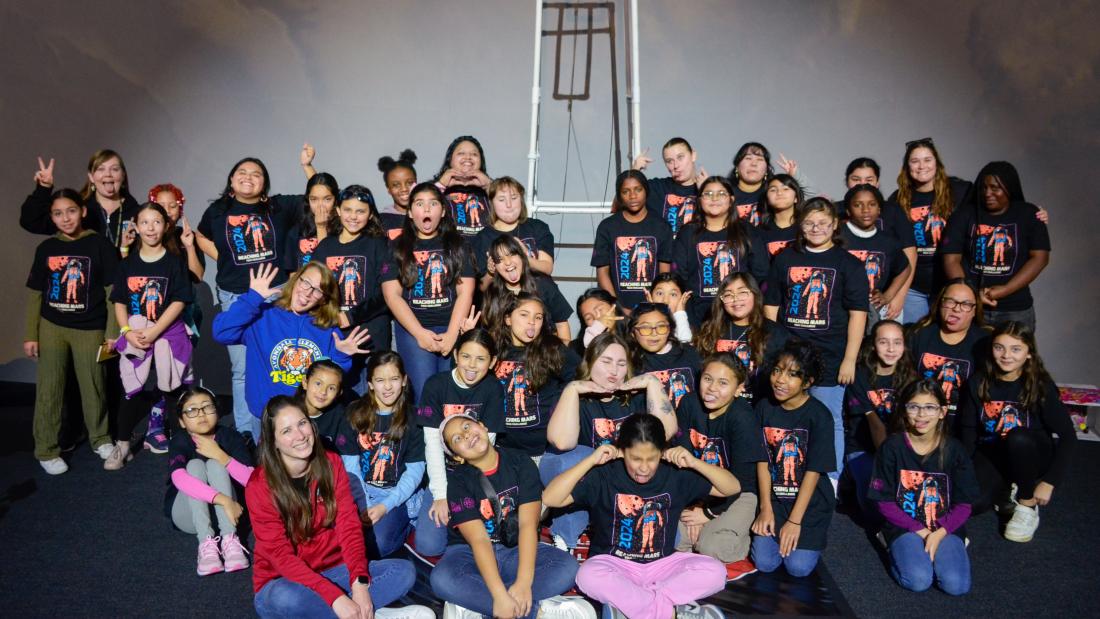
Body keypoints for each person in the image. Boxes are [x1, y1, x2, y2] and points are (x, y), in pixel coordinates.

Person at [247, 396, 432, 618]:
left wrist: (359, 582)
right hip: (286, 581)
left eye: (302, 423)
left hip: (334, 569)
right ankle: (368, 612)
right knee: (283, 599)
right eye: (286, 431)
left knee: (403, 572)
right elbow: (280, 555)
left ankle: (357, 611)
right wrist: (335, 598)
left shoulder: (331, 463)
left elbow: (349, 527)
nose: (299, 435)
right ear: (273, 441)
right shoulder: (260, 486)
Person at [542, 413, 736, 619]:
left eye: (651, 459)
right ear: (622, 451)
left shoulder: (676, 474)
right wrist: (590, 461)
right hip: (613, 564)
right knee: (587, 576)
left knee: (715, 571)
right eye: (635, 459)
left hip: (663, 566)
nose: (643, 468)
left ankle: (633, 607)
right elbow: (551, 498)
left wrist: (695, 462)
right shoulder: (605, 474)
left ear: (662, 452)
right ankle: (673, 614)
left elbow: (731, 488)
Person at [431, 413, 594, 619]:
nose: (466, 436)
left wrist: (524, 583)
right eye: (457, 439)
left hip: (515, 549)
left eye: (466, 427)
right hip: (470, 553)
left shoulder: (520, 461)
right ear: (457, 456)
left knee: (568, 568)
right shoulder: (459, 482)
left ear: (481, 426)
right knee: (441, 579)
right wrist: (499, 596)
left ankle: (478, 607)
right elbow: (479, 540)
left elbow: (528, 524)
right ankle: (536, 611)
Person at [196, 156, 303, 437]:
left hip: (275, 296)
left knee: (278, 363)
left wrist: (306, 166)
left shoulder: (277, 207)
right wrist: (224, 260)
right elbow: (201, 235)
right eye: (241, 172)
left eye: (256, 174)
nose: (248, 177)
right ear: (231, 181)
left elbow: (320, 195)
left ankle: (283, 430)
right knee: (243, 370)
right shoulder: (217, 211)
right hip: (236, 295)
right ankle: (248, 434)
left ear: (264, 183)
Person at [541, 332, 677, 549]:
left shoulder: (637, 395)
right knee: (570, 458)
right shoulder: (576, 397)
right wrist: (573, 389)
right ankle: (565, 539)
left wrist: (653, 383)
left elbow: (666, 432)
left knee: (673, 538)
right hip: (590, 481)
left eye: (621, 363)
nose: (614, 371)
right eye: (606, 362)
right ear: (590, 362)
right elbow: (561, 443)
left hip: (630, 480)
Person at [765, 197, 869, 478]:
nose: (816, 228)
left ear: (835, 225)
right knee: (785, 416)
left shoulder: (849, 265)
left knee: (829, 419)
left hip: (831, 356)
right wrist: (772, 349)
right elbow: (772, 305)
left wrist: (849, 359)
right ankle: (785, 475)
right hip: (789, 354)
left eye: (823, 223)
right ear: (800, 225)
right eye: (809, 222)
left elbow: (858, 314)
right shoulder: (785, 258)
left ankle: (830, 480)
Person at [212, 262, 369, 438]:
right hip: (267, 418)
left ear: (324, 298)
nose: (308, 292)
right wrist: (252, 299)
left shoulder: (326, 329)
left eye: (317, 290)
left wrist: (341, 357)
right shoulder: (262, 315)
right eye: (306, 283)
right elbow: (221, 333)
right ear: (295, 280)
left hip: (307, 421)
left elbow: (333, 378)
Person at [23, 188, 119, 474]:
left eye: (71, 211)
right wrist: (31, 334)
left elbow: (113, 291)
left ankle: (100, 438)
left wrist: (112, 332)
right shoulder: (47, 248)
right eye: (58, 213)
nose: (65, 218)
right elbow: (35, 295)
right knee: (50, 389)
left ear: (83, 211)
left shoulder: (99, 245)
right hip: (52, 328)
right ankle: (46, 448)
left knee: (94, 386)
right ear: (51, 217)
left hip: (91, 329)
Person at [958, 322, 1077, 543]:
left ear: (1029, 353)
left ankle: (1026, 503)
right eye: (999, 347)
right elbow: (969, 432)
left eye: (1016, 349)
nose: (1006, 355)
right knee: (972, 504)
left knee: (1018, 437)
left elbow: (1069, 436)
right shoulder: (977, 382)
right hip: (995, 452)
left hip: (1032, 452)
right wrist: (965, 472)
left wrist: (1050, 481)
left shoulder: (1039, 384)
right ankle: (1006, 486)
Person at [868, 379, 978, 595]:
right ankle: (889, 541)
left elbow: (964, 504)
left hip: (944, 526)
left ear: (942, 412)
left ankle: (946, 548)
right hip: (903, 524)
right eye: (913, 407)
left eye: (930, 407)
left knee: (956, 586)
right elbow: (884, 501)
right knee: (918, 580)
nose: (921, 415)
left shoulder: (954, 450)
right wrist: (921, 530)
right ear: (904, 410)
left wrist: (939, 533)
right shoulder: (892, 447)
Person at [107, 202, 195, 469]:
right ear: (136, 226)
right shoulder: (127, 264)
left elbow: (180, 300)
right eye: (144, 222)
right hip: (136, 335)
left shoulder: (174, 263)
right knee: (131, 390)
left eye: (156, 222)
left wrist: (156, 330)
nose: (150, 228)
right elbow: (119, 301)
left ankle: (181, 447)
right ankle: (122, 445)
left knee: (173, 387)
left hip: (168, 333)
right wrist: (127, 332)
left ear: (166, 225)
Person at [341, 352, 443, 559]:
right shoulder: (354, 413)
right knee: (345, 542)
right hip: (361, 494)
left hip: (397, 496)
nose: (387, 387)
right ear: (369, 383)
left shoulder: (414, 417)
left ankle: (404, 526)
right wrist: (365, 505)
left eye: (394, 379)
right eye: (380, 380)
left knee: (377, 545)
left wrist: (384, 507)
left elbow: (415, 472)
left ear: (404, 380)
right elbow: (350, 468)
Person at [416, 329, 507, 556]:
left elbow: (485, 449)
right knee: (429, 545)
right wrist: (440, 495)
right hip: (442, 473)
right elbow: (433, 444)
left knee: (489, 535)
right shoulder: (436, 385)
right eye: (466, 356)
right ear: (456, 355)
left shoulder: (493, 388)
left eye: (480, 359)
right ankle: (416, 505)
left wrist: (466, 492)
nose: (472, 365)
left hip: (474, 473)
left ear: (493, 361)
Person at [677, 354, 768, 580]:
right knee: (677, 540)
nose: (711, 389)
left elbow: (742, 481)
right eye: (707, 379)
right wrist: (696, 504)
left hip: (738, 493)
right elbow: (683, 460)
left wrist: (708, 514)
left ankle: (741, 538)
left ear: (739, 389)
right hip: (697, 488)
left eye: (723, 383)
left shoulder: (742, 418)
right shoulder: (688, 403)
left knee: (712, 547)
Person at [381, 182, 475, 399]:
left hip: (450, 328)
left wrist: (452, 334)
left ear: (442, 211)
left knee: (452, 395)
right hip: (413, 330)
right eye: (419, 204)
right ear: (410, 212)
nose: (426, 209)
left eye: (433, 204)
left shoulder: (458, 245)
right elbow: (391, 295)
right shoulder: (397, 246)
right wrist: (419, 333)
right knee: (424, 394)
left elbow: (465, 292)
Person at [751, 340, 836, 577]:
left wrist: (795, 522)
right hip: (775, 500)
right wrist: (765, 508)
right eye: (777, 371)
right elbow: (762, 461)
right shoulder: (764, 408)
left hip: (808, 504)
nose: (780, 380)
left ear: (807, 382)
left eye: (792, 375)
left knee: (798, 568)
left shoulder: (820, 416)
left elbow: (814, 471)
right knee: (765, 563)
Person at [941, 161, 1050, 331]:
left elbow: (1040, 258)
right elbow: (951, 258)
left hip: (1015, 308)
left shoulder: (1029, 214)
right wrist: (971, 294)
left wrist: (1005, 290)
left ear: (1009, 188)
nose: (988, 193)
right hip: (971, 307)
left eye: (995, 188)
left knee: (1012, 356)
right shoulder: (964, 215)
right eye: (984, 187)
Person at [165, 386, 253, 576]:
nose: (201, 414)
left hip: (231, 516)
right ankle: (206, 544)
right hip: (190, 517)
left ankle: (230, 540)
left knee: (215, 464)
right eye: (191, 410)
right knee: (194, 466)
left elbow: (254, 482)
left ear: (217, 412)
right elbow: (179, 479)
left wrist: (222, 457)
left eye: (207, 407)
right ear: (181, 421)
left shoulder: (231, 437)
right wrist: (224, 500)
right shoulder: (179, 440)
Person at [311, 184, 391, 381]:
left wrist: (351, 316)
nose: (353, 217)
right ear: (337, 210)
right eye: (347, 210)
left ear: (371, 214)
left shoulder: (379, 244)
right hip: (335, 336)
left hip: (372, 336)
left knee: (371, 399)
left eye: (360, 211)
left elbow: (387, 294)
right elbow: (313, 289)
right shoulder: (325, 247)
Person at [491, 293, 581, 461]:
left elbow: (580, 375)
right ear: (508, 319)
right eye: (524, 314)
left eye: (538, 317)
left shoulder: (552, 348)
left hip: (543, 452)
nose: (532, 321)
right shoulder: (493, 350)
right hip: (501, 450)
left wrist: (559, 399)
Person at [843, 320, 917, 519]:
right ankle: (849, 479)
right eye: (884, 342)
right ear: (873, 345)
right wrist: (889, 463)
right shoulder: (860, 375)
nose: (891, 349)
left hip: (898, 446)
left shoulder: (910, 377)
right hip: (863, 446)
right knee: (873, 506)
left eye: (897, 342)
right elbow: (873, 424)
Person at [672, 175, 769, 326]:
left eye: (721, 194)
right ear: (699, 200)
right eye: (708, 194)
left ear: (731, 200)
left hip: (739, 312)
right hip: (698, 315)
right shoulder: (688, 232)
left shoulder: (746, 230)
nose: (714, 198)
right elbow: (679, 275)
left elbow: (760, 272)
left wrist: (742, 302)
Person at [694, 273, 790, 404]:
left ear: (755, 295)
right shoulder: (711, 330)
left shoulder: (775, 332)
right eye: (728, 295)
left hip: (758, 407)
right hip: (721, 407)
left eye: (742, 293)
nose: (735, 299)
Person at [21, 151, 142, 252]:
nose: (108, 174)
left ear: (123, 175)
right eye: (101, 169)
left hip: (125, 279)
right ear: (91, 177)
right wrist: (43, 188)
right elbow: (31, 221)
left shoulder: (138, 213)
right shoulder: (77, 210)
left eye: (115, 169)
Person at [591, 170, 673, 312]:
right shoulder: (607, 227)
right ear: (620, 196)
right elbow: (602, 272)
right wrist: (617, 307)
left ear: (646, 191)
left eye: (638, 189)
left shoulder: (661, 226)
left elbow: (664, 274)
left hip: (653, 308)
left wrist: (656, 305)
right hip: (617, 308)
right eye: (626, 191)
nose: (633, 196)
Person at [908, 279, 990, 418]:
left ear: (974, 310)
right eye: (950, 301)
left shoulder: (985, 342)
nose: (956, 309)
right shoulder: (919, 334)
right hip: (922, 418)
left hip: (963, 422)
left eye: (966, 304)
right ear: (940, 303)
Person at [625, 302, 703, 434]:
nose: (654, 333)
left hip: (690, 432)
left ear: (670, 329)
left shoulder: (691, 354)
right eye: (645, 328)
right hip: (651, 436)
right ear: (633, 333)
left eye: (661, 327)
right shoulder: (629, 362)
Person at [482, 235, 572, 343]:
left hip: (544, 353)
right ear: (494, 266)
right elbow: (492, 332)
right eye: (500, 260)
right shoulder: (493, 292)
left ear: (523, 257)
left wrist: (564, 355)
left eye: (511, 255)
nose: (507, 262)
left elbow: (562, 324)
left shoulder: (544, 285)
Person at [473, 176, 555, 277]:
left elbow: (547, 268)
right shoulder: (483, 238)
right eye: (501, 199)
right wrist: (491, 272)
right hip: (503, 292)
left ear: (521, 200)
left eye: (514, 198)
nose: (509, 205)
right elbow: (481, 287)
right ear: (492, 203)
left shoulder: (538, 227)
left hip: (540, 291)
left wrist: (525, 259)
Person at [631, 137, 707, 236]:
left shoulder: (710, 188)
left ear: (693, 155)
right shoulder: (657, 188)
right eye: (669, 161)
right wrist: (635, 171)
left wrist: (706, 191)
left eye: (680, 157)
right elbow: (618, 206)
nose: (676, 165)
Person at [289, 148, 339, 268]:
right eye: (314, 200)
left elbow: (326, 267)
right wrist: (306, 166)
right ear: (308, 200)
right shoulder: (297, 231)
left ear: (336, 200)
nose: (320, 206)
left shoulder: (346, 228)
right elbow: (293, 275)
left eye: (327, 199)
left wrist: (321, 227)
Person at [727, 142, 797, 227]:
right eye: (748, 158)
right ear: (737, 166)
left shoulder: (774, 191)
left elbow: (810, 204)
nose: (753, 164)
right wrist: (707, 189)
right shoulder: (725, 191)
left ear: (767, 169)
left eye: (759, 159)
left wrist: (793, 181)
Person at [435, 136, 492, 238]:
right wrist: (441, 185)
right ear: (450, 160)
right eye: (461, 153)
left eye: (474, 154)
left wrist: (489, 185)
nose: (468, 157)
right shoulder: (436, 187)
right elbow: (423, 210)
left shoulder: (491, 187)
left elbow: (508, 206)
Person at [295, 360, 356, 455]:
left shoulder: (341, 416)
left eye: (331, 388)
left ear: (339, 393)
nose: (323, 392)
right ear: (305, 382)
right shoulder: (288, 412)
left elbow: (349, 456)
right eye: (318, 383)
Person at [756, 174, 803, 258]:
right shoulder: (759, 233)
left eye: (785, 189)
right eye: (773, 190)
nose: (779, 193)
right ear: (767, 200)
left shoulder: (807, 228)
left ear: (796, 198)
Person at [570, 288, 627, 356]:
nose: (597, 318)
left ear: (613, 306)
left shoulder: (634, 338)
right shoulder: (576, 350)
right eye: (589, 318)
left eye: (600, 309)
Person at [376, 149, 419, 240]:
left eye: (409, 183)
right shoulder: (381, 221)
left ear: (416, 183)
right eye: (396, 185)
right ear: (389, 189)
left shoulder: (428, 214)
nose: (404, 189)